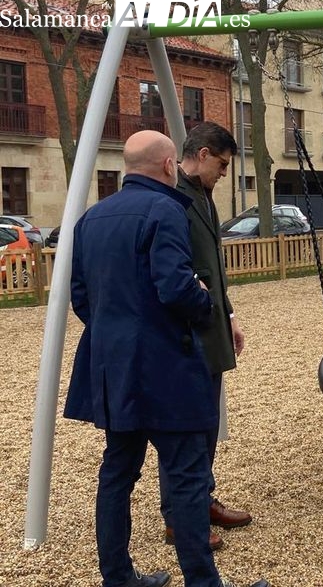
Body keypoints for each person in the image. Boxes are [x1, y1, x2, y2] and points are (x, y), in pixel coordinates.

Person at [64, 130, 269, 587]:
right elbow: (176, 288)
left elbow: (82, 298)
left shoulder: (90, 219)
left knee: (118, 473)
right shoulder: (166, 209)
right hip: (167, 370)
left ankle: (118, 578)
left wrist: (119, 333)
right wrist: (203, 303)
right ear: (168, 165)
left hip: (112, 370)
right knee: (187, 476)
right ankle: (203, 582)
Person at [158, 121, 250, 551]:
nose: (224, 174)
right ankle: (179, 515)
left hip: (210, 326)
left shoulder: (204, 197)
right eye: (223, 165)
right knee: (185, 428)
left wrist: (228, 313)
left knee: (207, 422)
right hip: (184, 333)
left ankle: (201, 498)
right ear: (203, 155)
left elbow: (212, 266)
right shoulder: (171, 196)